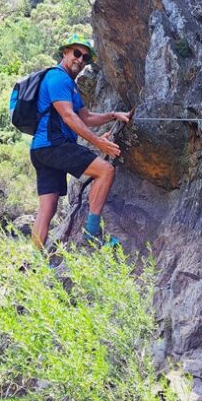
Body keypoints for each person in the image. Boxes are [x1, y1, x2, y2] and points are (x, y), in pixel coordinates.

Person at [30, 33, 129, 247]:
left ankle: (35, 262)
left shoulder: (70, 85)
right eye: (76, 53)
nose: (80, 60)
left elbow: (86, 117)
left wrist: (113, 115)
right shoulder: (57, 78)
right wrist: (98, 143)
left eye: (85, 57)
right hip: (53, 146)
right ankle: (92, 234)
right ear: (65, 52)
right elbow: (69, 116)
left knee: (47, 208)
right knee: (105, 171)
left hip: (41, 150)